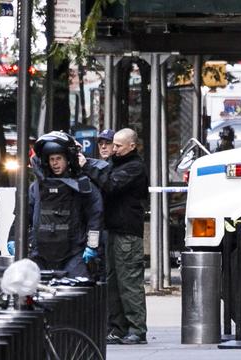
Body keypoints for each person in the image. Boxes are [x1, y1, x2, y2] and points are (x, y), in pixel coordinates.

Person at [78, 128, 149, 345]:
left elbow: (111, 184)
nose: (113, 148)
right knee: (113, 283)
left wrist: (86, 165)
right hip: (114, 231)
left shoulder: (135, 167)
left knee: (128, 283)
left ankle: (137, 329)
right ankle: (118, 328)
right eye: (113, 144)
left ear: (131, 146)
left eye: (118, 145)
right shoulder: (117, 164)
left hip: (127, 234)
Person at [27, 131, 103, 278]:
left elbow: (95, 217)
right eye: (51, 159)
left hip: (73, 253)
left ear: (68, 159)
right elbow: (23, 215)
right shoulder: (36, 187)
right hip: (41, 254)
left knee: (77, 296)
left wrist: (92, 245)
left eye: (59, 158)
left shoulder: (82, 186)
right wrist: (13, 238)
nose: (55, 163)